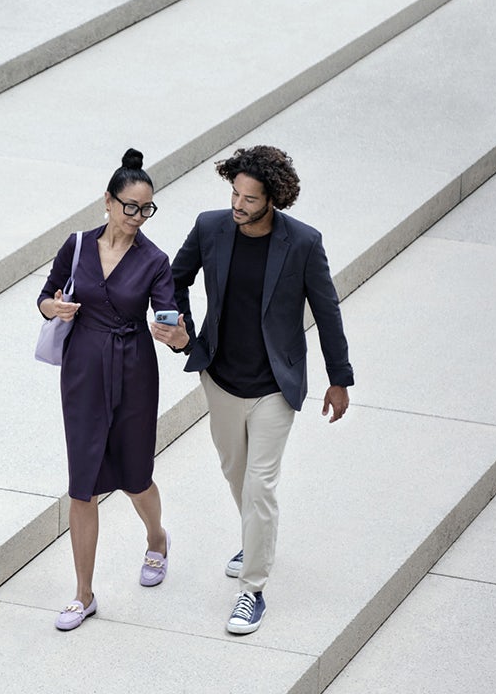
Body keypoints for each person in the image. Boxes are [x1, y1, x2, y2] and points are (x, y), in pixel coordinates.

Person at [152, 145, 353, 635]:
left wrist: (339, 377)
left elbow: (328, 312)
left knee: (260, 486)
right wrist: (181, 330)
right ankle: (255, 538)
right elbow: (174, 281)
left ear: (272, 200)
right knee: (235, 473)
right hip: (220, 376)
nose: (238, 205)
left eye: (249, 198)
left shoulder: (302, 243)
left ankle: (253, 591)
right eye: (235, 194)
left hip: (274, 386)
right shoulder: (210, 227)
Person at [37, 148, 179, 631]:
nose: (138, 217)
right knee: (83, 485)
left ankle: (156, 538)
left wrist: (175, 331)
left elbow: (167, 309)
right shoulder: (76, 245)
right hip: (81, 372)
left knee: (136, 476)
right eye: (130, 206)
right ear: (108, 201)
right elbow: (46, 294)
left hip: (135, 369)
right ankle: (83, 594)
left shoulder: (155, 259)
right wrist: (51, 308)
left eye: (146, 209)